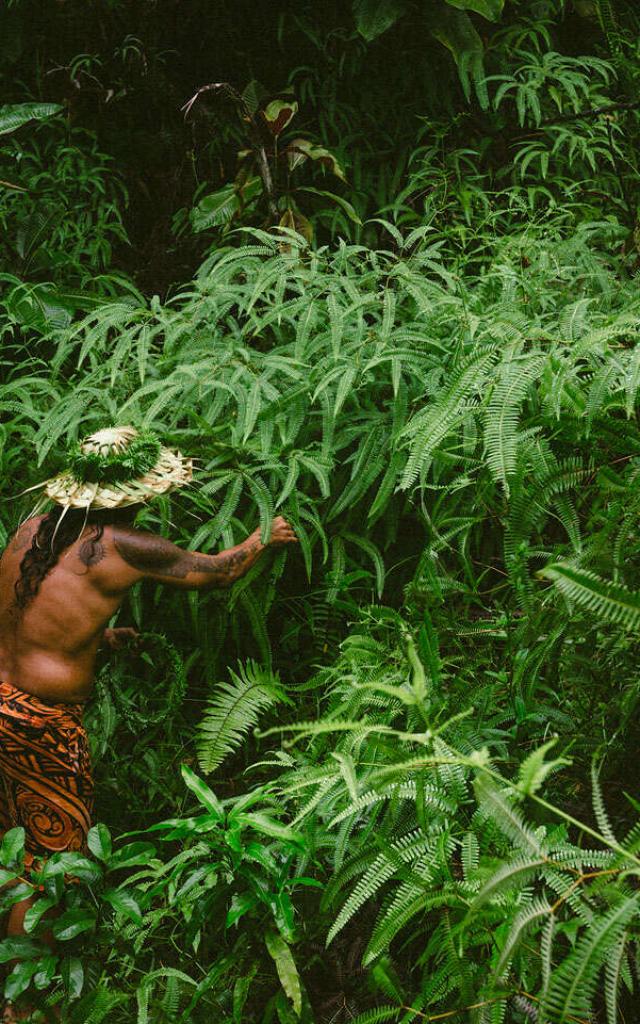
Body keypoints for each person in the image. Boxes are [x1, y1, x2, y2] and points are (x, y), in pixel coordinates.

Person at [0, 426, 297, 1021]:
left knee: (14, 846)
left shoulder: (35, 526)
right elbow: (217, 571)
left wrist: (98, 640)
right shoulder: (127, 543)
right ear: (137, 493)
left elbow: (29, 611)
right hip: (40, 722)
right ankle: (26, 1003)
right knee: (54, 858)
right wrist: (264, 536)